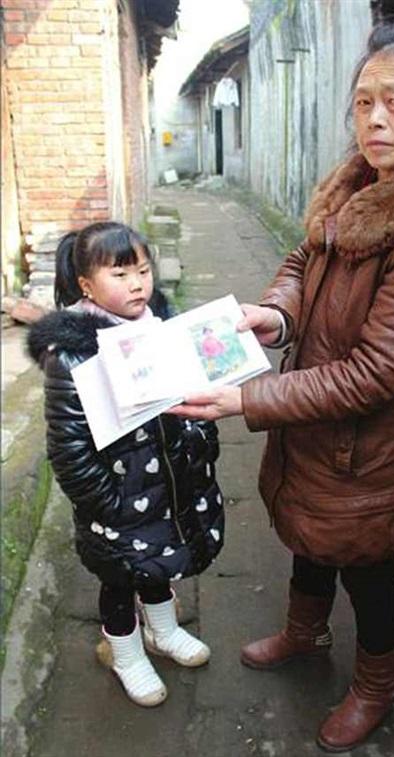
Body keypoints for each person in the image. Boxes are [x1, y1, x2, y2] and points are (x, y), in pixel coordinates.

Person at [169, 22, 394, 751]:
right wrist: (277, 314)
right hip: (315, 420)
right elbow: (303, 258)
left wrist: (246, 398)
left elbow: (375, 373)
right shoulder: (359, 183)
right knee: (310, 535)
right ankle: (304, 632)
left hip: (371, 447)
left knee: (368, 565)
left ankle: (376, 688)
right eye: (363, 102)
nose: (375, 119)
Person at [28, 222, 225, 708]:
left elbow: (190, 397)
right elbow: (68, 448)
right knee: (119, 580)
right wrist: (108, 502)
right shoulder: (73, 355)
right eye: (120, 274)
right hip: (118, 498)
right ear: (86, 285)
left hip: (168, 484)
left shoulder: (162, 328)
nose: (138, 284)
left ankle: (162, 631)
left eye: (143, 270)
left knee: (160, 562)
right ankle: (125, 653)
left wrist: (201, 444)